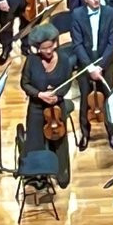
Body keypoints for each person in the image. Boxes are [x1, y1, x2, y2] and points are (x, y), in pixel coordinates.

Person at [21, 22, 77, 188]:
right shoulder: (32, 61)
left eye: (51, 46)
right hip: (37, 108)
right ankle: (40, 174)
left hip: (57, 108)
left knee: (59, 140)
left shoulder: (64, 59)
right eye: (43, 48)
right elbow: (25, 84)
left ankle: (62, 171)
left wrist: (57, 95)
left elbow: (67, 83)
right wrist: (40, 95)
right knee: (36, 140)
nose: (48, 51)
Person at [70, 0, 113, 150]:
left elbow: (112, 42)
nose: (96, 0)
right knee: (85, 99)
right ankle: (85, 133)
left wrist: (101, 66)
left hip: (105, 61)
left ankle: (111, 132)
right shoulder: (77, 14)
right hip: (86, 62)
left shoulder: (111, 13)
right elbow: (77, 45)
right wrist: (90, 68)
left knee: (109, 99)